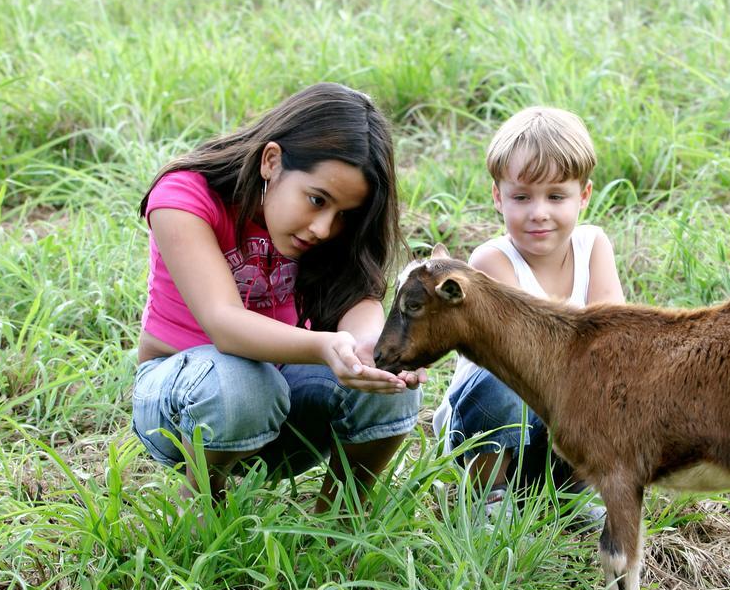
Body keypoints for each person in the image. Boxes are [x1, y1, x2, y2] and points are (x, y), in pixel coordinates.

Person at [131, 83, 425, 513]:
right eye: (317, 200)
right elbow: (223, 324)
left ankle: (340, 521)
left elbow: (356, 294)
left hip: (282, 396)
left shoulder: (324, 230)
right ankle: (200, 506)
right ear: (272, 161)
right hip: (180, 406)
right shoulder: (185, 198)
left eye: (343, 215)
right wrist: (325, 346)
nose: (324, 228)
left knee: (390, 378)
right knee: (243, 383)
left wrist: (367, 349)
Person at [432, 106, 625, 523]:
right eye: (522, 197)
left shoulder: (594, 247)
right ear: (498, 196)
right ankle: (484, 495)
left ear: (584, 196)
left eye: (556, 196)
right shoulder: (492, 259)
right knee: (507, 381)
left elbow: (613, 332)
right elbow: (524, 353)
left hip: (556, 425)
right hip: (488, 429)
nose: (539, 212)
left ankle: (569, 490)